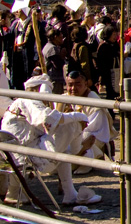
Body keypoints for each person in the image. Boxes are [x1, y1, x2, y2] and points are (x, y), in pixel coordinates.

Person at [1, 74, 101, 206]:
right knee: (71, 126)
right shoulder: (29, 101)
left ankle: (16, 193)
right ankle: (70, 191)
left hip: (16, 153)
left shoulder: (20, 103)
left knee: (63, 147)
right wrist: (79, 116)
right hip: (24, 155)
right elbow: (48, 118)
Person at [57, 70, 118, 174]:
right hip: (69, 136)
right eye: (70, 85)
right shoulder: (64, 98)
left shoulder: (94, 101)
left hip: (90, 139)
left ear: (86, 84)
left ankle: (85, 162)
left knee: (85, 139)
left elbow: (93, 129)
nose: (73, 88)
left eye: (78, 84)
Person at [95, 25, 120, 102]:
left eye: (116, 34)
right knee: (110, 92)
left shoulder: (115, 44)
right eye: (114, 35)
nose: (115, 37)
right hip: (108, 72)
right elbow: (102, 61)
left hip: (116, 71)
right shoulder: (103, 46)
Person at [42, 28, 66, 94]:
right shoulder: (52, 48)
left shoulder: (47, 46)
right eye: (61, 37)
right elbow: (57, 64)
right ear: (56, 37)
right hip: (55, 78)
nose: (62, 39)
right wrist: (62, 57)